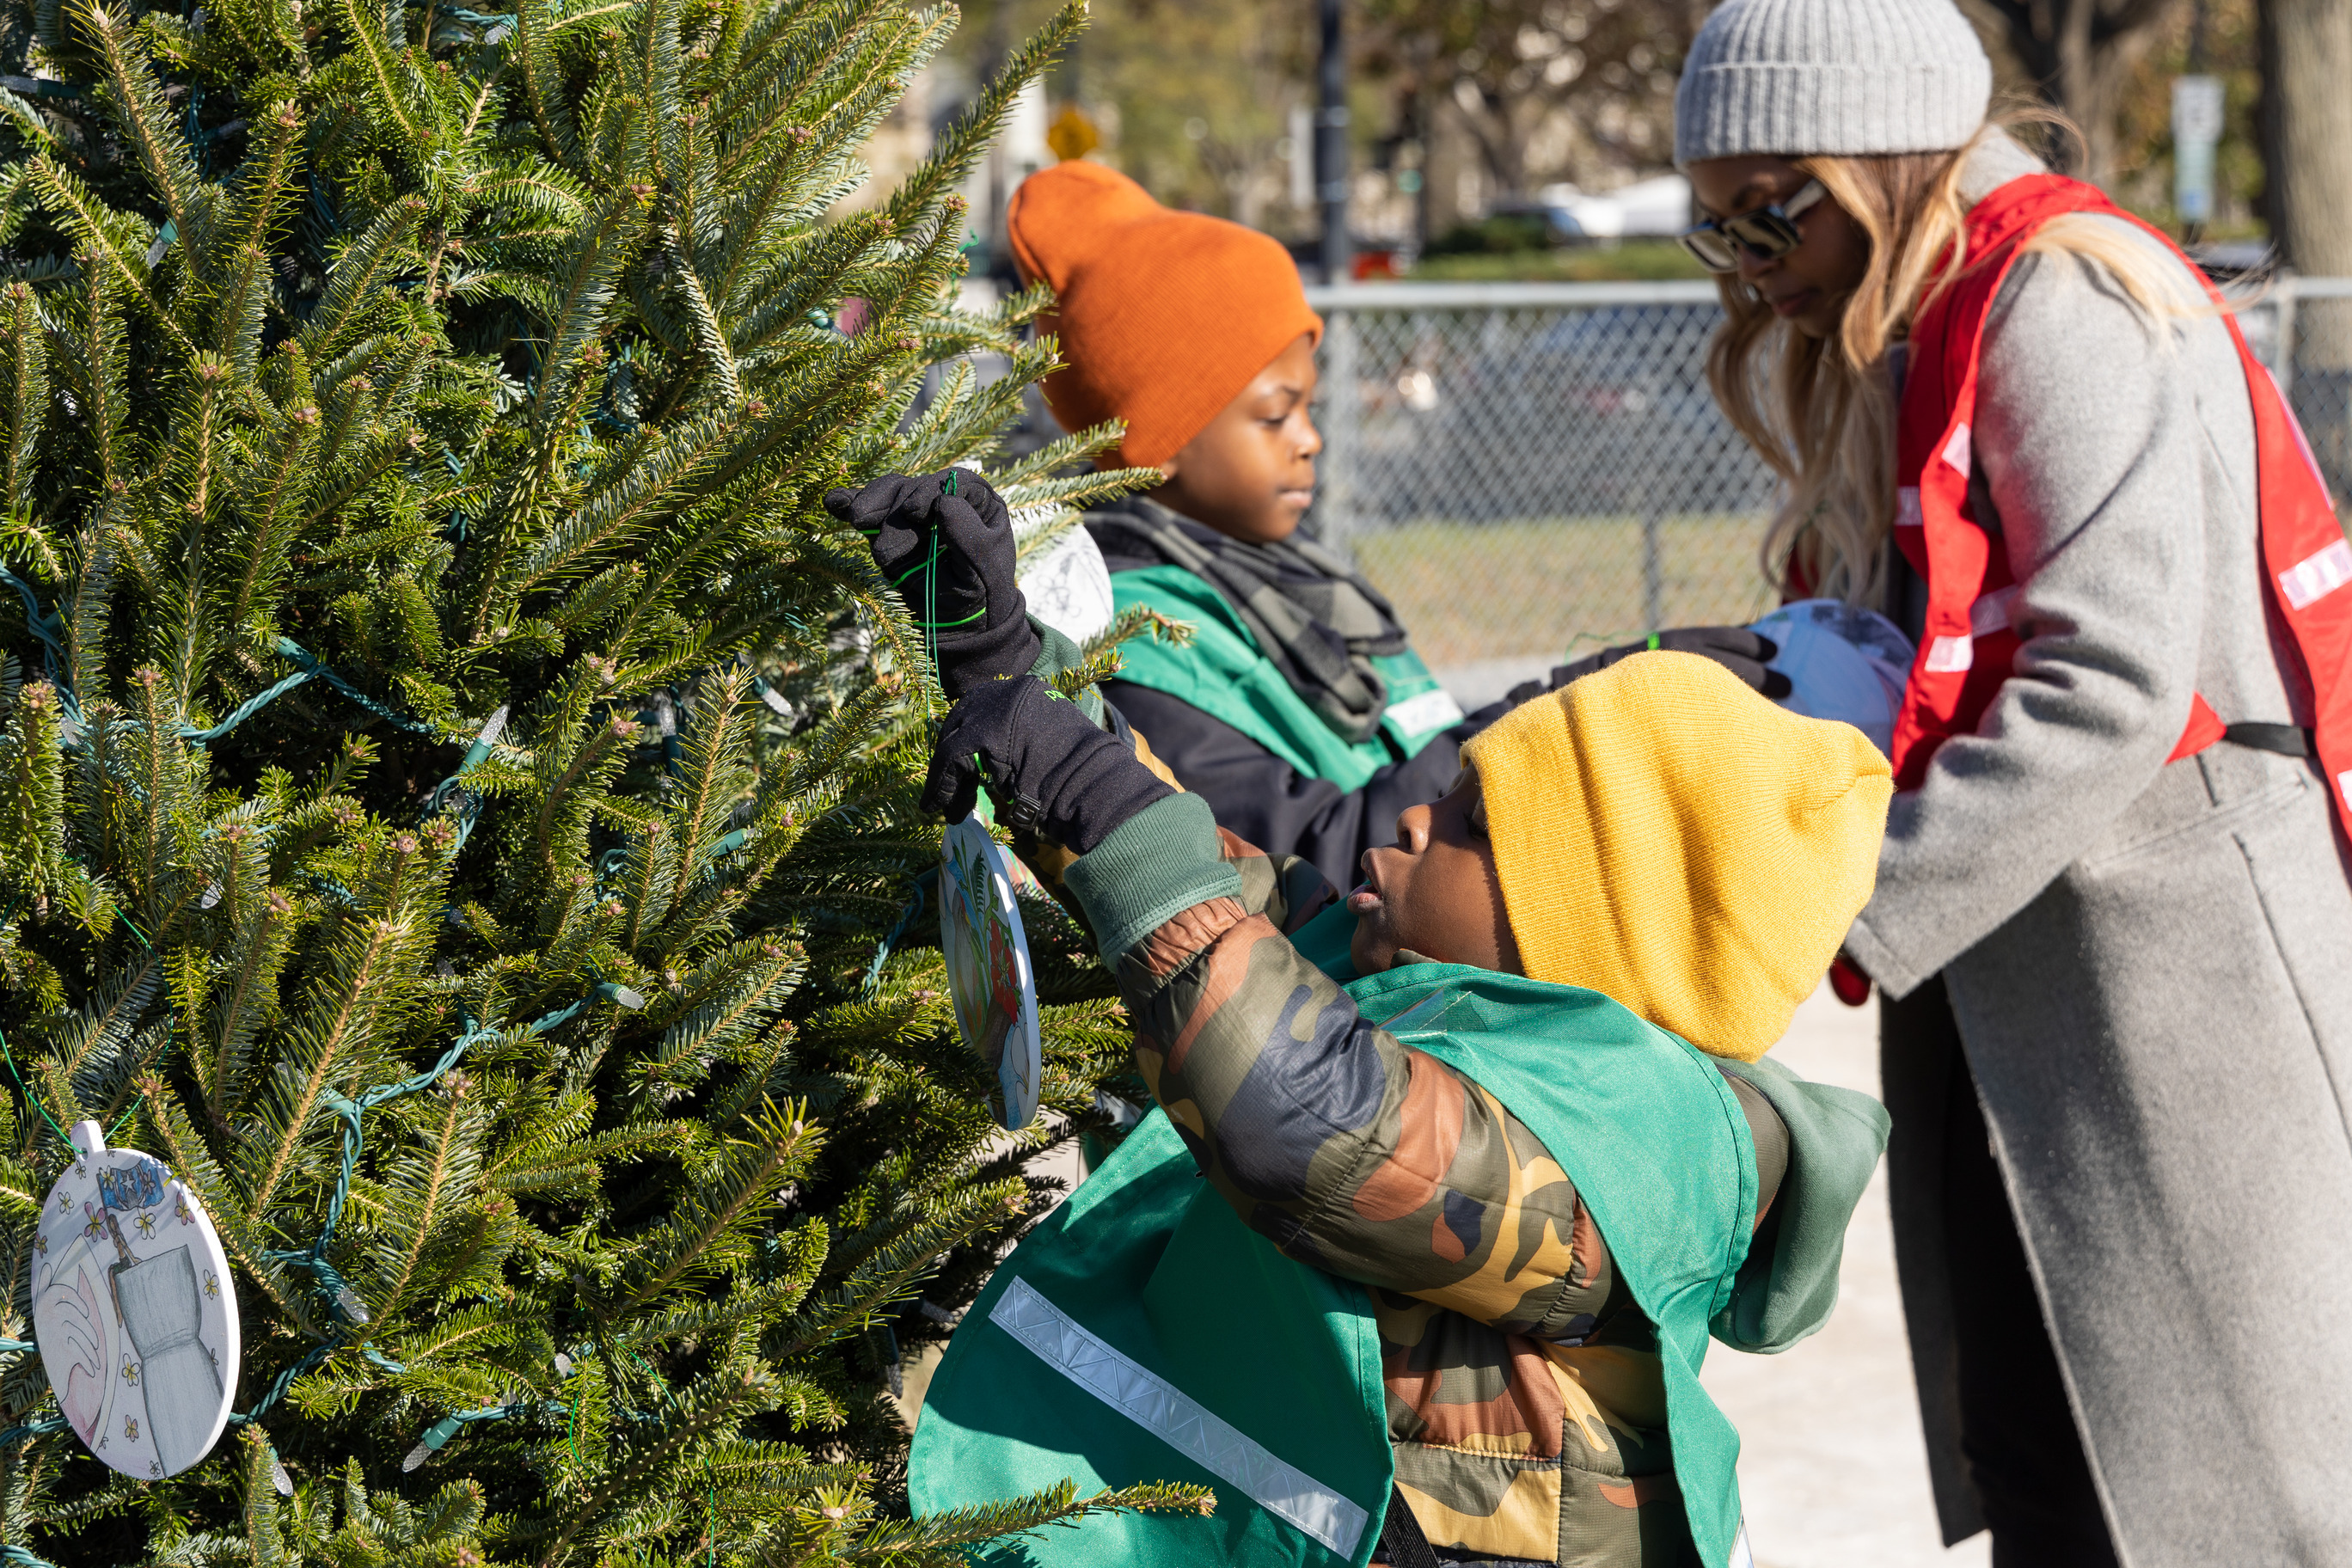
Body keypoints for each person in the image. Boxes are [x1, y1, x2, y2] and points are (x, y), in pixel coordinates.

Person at [866, 505, 1893, 1565]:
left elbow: (1321, 1121)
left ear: (1583, 943)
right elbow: (1228, 903)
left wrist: (1096, 800)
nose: (1412, 822)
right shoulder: (1420, 996)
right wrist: (1016, 682)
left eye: (1472, 824)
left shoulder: (1638, 1141)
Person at [1671, 3, 2352, 1565]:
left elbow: (2104, 684)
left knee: (2220, 1495)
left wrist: (1845, 897)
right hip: (2014, 978)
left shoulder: (2058, 301)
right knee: (2044, 1460)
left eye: (1766, 213)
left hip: (2171, 1000)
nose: (1744, 263)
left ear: (1875, 160)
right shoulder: (1917, 319)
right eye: (1711, 226)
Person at [1001, 160, 1783, 890]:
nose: (1311, 438)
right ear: (1155, 444)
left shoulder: (1304, 583)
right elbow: (1326, 860)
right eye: (1276, 415)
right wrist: (1559, 710)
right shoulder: (1138, 645)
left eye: (1310, 405)